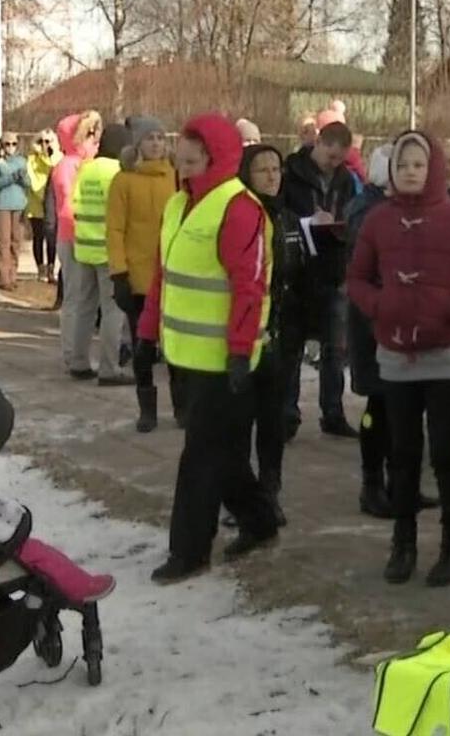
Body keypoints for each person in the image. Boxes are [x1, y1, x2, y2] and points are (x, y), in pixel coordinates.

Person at [347, 132, 450, 587]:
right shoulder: (377, 220)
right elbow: (355, 278)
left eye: (418, 163)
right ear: (391, 170)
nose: (410, 171)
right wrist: (378, 305)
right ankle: (404, 543)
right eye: (402, 164)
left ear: (434, 167)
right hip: (395, 353)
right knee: (403, 452)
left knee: (447, 452)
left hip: (445, 352)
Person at [138, 114, 279, 583]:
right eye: (184, 151)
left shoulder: (239, 209)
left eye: (195, 153)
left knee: (199, 456)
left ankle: (189, 550)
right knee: (224, 456)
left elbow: (250, 287)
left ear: (217, 157)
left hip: (225, 360)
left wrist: (240, 351)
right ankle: (260, 520)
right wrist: (145, 332)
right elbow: (164, 273)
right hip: (186, 355)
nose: (184, 158)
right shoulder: (179, 203)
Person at [281, 119, 362, 438]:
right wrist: (306, 222)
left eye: (340, 159)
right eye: (331, 156)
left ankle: (333, 412)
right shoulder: (291, 174)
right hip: (297, 270)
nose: (334, 164)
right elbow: (280, 213)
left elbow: (353, 213)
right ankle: (287, 413)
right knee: (292, 348)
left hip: (332, 266)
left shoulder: (346, 179)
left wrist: (340, 225)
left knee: (335, 349)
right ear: (320, 144)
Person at [238, 142, 299, 523]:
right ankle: (244, 497)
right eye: (262, 170)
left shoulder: (288, 218)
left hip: (282, 334)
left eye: (276, 169)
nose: (272, 176)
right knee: (243, 421)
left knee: (273, 422)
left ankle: (270, 490)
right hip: (249, 336)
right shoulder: (243, 218)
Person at [109, 116, 177, 430]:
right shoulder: (123, 181)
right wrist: (118, 273)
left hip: (173, 275)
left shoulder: (175, 178)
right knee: (143, 345)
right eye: (150, 138)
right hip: (137, 277)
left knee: (176, 345)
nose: (156, 144)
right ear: (136, 145)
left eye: (161, 138)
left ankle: (182, 406)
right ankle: (146, 409)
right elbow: (115, 229)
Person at [345, 144, 399, 519]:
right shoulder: (372, 212)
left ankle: (396, 481)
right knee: (379, 408)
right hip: (375, 323)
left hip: (386, 322)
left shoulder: (372, 206)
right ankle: (372, 483)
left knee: (394, 408)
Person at [70, 125, 135, 385]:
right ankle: (109, 368)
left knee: (84, 308)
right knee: (113, 311)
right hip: (109, 250)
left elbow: (74, 203)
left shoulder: (86, 169)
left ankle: (79, 362)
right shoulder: (118, 172)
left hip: (84, 246)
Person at [53, 112, 103, 373]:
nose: (95, 142)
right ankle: (72, 353)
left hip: (84, 237)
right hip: (72, 237)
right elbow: (67, 201)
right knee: (75, 297)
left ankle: (76, 353)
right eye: (89, 136)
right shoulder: (67, 165)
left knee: (84, 297)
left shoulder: (84, 164)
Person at [0, 133, 30, 290]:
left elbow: (27, 183)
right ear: (1, 144)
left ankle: (13, 275)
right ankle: (4, 278)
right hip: (2, 205)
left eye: (13, 144)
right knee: (3, 242)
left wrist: (23, 176)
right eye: (7, 144)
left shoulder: (21, 161)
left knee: (16, 241)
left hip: (18, 205)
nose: (11, 147)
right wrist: (11, 178)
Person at [27, 128, 62, 283]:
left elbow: (58, 173)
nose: (44, 144)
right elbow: (31, 179)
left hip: (53, 204)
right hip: (36, 203)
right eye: (40, 141)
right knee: (38, 237)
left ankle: (51, 268)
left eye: (47, 141)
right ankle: (40, 268)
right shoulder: (31, 159)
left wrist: (51, 155)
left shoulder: (58, 157)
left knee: (52, 238)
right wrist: (43, 197)